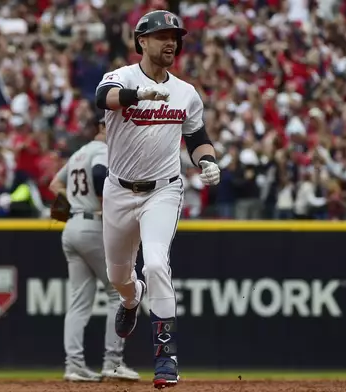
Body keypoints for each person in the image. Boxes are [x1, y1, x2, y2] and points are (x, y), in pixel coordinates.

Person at [94, 9, 221, 389]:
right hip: (118, 190)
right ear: (141, 41)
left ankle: (166, 358)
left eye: (175, 37)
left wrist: (209, 161)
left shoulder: (185, 92)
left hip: (163, 189)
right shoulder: (121, 77)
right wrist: (137, 95)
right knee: (119, 276)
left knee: (155, 265)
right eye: (162, 35)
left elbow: (198, 139)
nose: (171, 42)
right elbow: (103, 98)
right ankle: (131, 302)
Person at [49, 115, 140, 382]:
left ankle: (74, 365)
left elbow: (55, 184)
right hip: (93, 227)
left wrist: (76, 203)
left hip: (72, 228)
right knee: (120, 294)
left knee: (79, 301)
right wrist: (104, 204)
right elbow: (100, 174)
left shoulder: (79, 153)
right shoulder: (103, 150)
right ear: (102, 127)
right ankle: (113, 362)